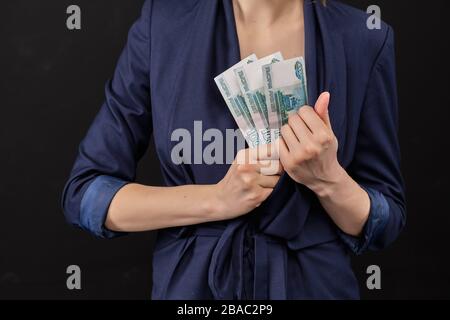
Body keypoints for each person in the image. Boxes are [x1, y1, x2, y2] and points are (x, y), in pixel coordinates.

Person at [62, 0, 406, 299]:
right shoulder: (164, 23)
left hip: (315, 286)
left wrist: (329, 179)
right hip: (192, 289)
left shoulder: (365, 37)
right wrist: (217, 199)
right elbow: (86, 195)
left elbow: (385, 221)